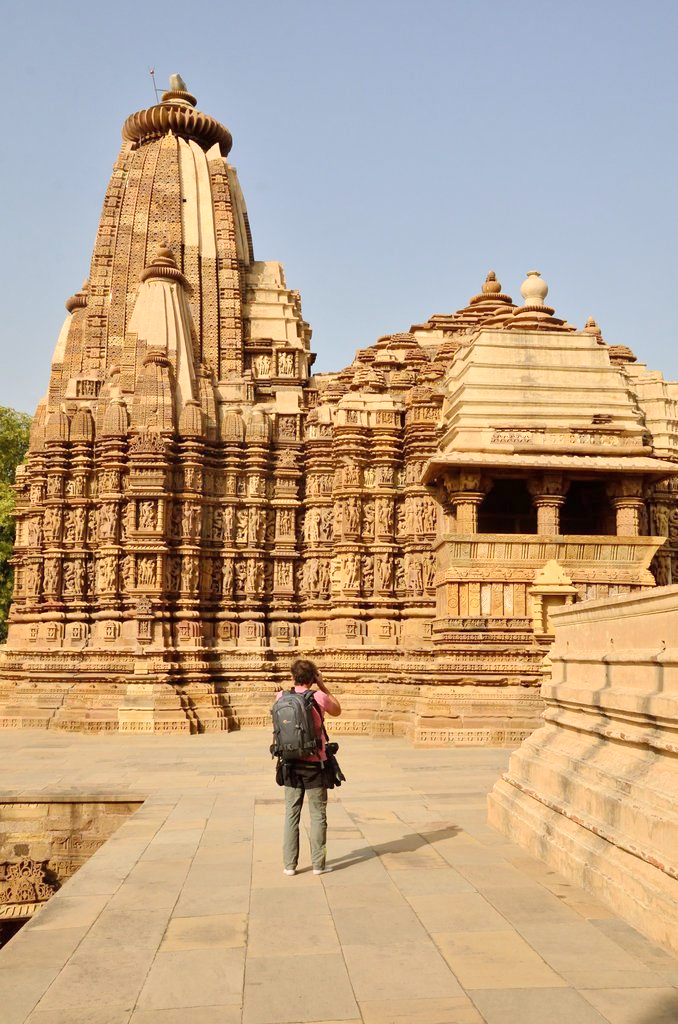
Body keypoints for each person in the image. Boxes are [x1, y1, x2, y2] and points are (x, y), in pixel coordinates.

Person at [275, 658, 341, 876]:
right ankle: (318, 865)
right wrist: (322, 685)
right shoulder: (318, 697)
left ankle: (289, 865)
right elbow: (337, 710)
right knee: (317, 815)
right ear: (313, 677)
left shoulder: (281, 697)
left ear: (293, 676)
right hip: (314, 765)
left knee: (290, 815)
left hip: (290, 764)